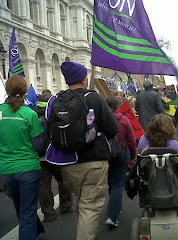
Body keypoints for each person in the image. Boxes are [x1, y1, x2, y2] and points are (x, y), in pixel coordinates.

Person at [49, 61, 118, 240]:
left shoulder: (57, 100)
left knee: (83, 203)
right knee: (90, 207)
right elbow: (112, 128)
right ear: (82, 78)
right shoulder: (93, 97)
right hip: (93, 162)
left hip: (67, 164)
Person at [0, 75, 45, 240]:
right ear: (25, 91)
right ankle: (30, 233)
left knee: (21, 207)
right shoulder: (29, 114)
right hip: (28, 169)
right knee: (27, 211)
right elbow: (38, 146)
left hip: (6, 169)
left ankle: (37, 229)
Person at [34, 92, 73, 222]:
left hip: (39, 156)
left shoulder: (32, 113)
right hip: (55, 153)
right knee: (63, 180)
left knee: (44, 185)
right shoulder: (54, 112)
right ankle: (66, 206)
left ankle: (48, 213)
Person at [105, 96, 137, 227]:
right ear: (118, 106)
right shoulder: (123, 120)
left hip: (105, 154)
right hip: (121, 153)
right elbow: (131, 140)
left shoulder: (100, 120)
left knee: (110, 182)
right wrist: (133, 156)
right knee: (118, 184)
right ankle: (112, 215)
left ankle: (114, 205)